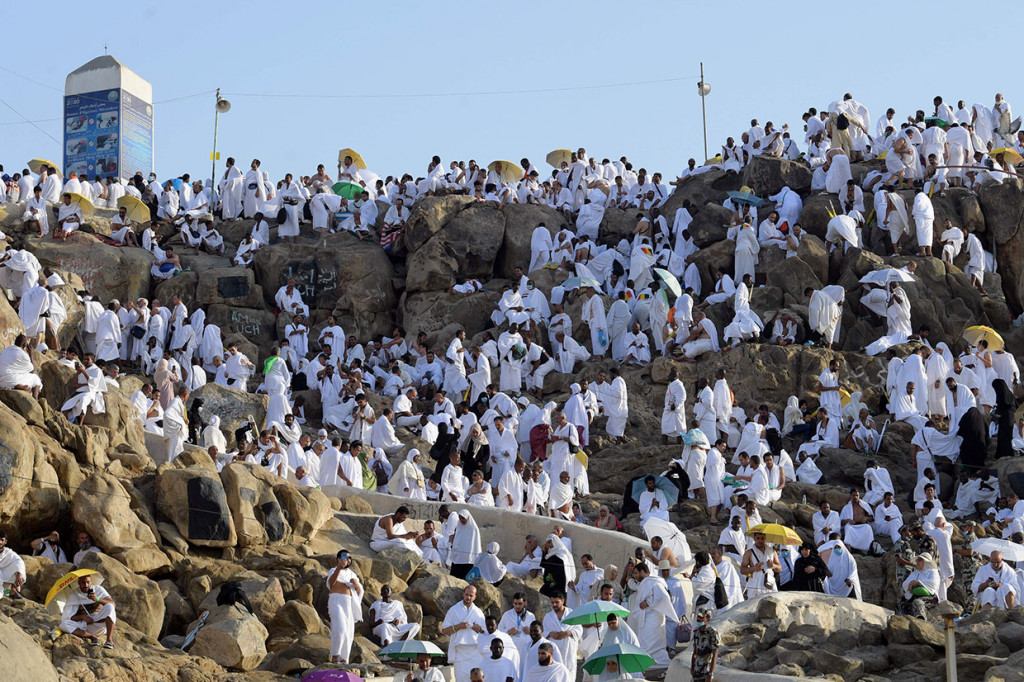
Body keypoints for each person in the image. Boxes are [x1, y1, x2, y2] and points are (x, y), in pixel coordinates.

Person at [442, 585, 487, 682]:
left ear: (475, 597)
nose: (468, 597)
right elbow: (444, 630)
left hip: (475, 651)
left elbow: (485, 633)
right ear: (463, 594)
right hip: (460, 652)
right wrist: (458, 627)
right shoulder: (454, 610)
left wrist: (479, 629)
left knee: (477, 678)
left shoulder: (478, 612)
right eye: (467, 595)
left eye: (471, 595)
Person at [60, 573, 117, 648]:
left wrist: (97, 599)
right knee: (64, 624)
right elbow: (68, 617)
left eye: (88, 582)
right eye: (83, 582)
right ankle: (92, 637)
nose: (86, 585)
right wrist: (82, 617)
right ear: (79, 583)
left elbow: (112, 604)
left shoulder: (98, 589)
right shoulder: (74, 596)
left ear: (91, 581)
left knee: (110, 607)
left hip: (98, 624)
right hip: (84, 626)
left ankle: (109, 640)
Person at [327, 548, 363, 663]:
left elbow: (359, 592)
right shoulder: (333, 570)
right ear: (338, 559)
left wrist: (356, 585)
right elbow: (331, 584)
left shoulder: (352, 574)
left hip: (348, 603)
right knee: (340, 628)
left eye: (349, 558)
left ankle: (344, 659)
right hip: (336, 600)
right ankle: (335, 655)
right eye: (345, 557)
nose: (347, 560)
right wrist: (339, 568)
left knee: (348, 632)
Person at [541, 591, 582, 680]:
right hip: (555, 650)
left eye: (557, 602)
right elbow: (543, 632)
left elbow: (579, 629)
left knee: (569, 675)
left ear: (563, 601)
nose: (554, 604)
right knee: (555, 675)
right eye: (552, 602)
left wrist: (568, 633)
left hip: (569, 650)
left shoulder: (572, 614)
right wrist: (550, 633)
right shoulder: (548, 617)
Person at [899, 553, 940, 618]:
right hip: (914, 595)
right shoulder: (914, 573)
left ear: (926, 562)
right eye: (917, 560)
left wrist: (918, 583)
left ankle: (921, 620)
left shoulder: (933, 572)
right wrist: (910, 584)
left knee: (918, 603)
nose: (917, 562)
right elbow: (905, 584)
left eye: (919, 560)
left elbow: (933, 583)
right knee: (901, 604)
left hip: (930, 597)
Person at [690, 607, 719, 682]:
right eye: (698, 617)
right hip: (696, 671)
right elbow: (695, 652)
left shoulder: (712, 633)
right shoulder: (696, 632)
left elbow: (715, 653)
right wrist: (692, 668)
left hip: (706, 671)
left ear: (707, 619)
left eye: (701, 618)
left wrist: (710, 673)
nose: (698, 619)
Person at [0, 530, 25, 599]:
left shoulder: (8, 553)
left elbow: (19, 562)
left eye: (2, 540)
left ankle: (12, 591)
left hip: (5, 577)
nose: (0, 542)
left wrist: (19, 575)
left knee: (18, 569)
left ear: (5, 542)